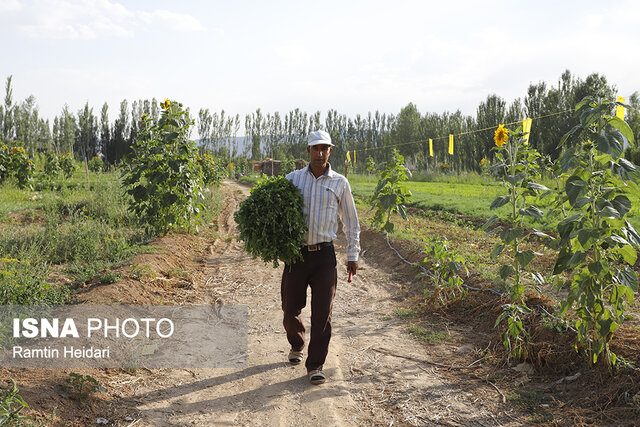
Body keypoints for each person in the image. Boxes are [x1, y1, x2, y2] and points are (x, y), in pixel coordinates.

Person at [282, 130, 360, 385]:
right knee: (290, 309)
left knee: (322, 313)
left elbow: (350, 221)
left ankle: (315, 365)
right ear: (308, 151)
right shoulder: (292, 180)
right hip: (296, 254)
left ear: (330, 151)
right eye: (315, 149)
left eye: (324, 148)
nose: (319, 153)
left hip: (325, 255)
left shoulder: (340, 183)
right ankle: (297, 342)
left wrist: (352, 254)